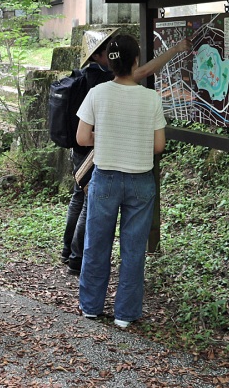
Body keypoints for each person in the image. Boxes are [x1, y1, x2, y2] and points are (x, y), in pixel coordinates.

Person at [61, 29, 189, 275]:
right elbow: (145, 71)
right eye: (107, 49)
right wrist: (174, 49)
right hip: (99, 152)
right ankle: (76, 257)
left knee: (80, 199)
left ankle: (70, 252)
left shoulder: (88, 77)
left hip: (86, 149)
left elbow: (82, 134)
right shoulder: (106, 81)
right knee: (88, 205)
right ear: (98, 56)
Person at [75, 33, 167, 329]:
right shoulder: (150, 98)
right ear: (136, 61)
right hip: (140, 179)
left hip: (106, 178)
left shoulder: (97, 93)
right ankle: (125, 314)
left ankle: (91, 306)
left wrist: (107, 135)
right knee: (133, 249)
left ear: (110, 64)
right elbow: (158, 146)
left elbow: (82, 137)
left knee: (96, 244)